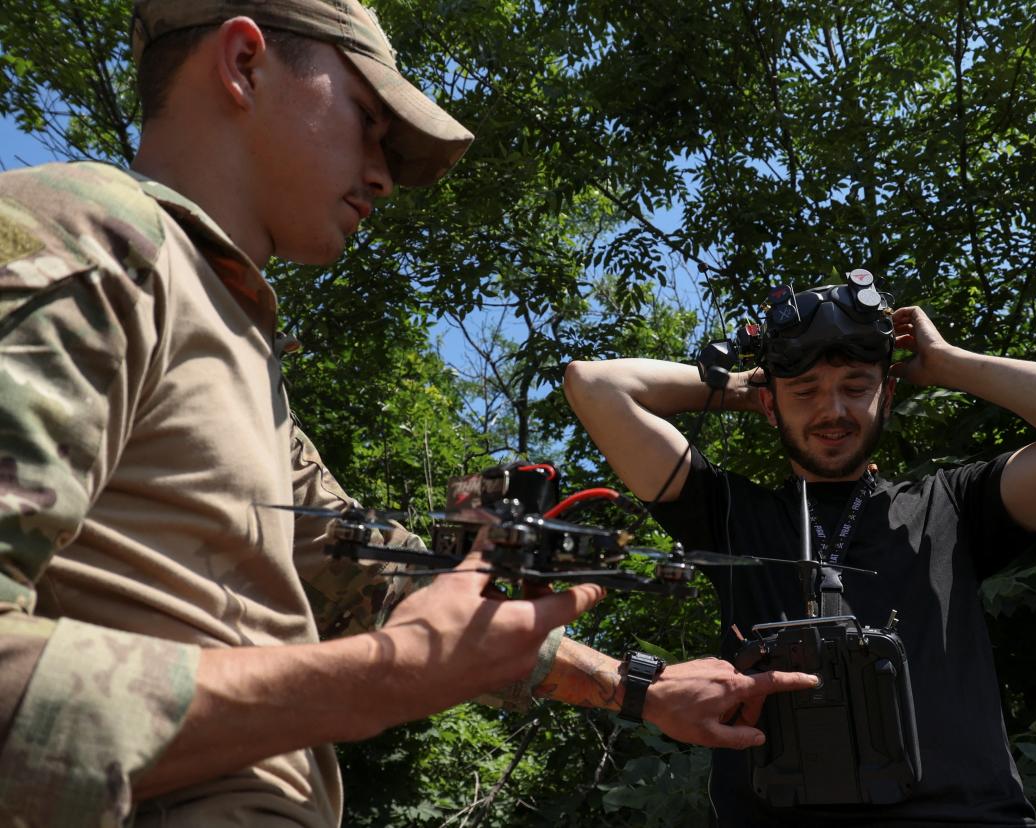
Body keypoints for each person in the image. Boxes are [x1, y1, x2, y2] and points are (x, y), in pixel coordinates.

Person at [0, 2, 815, 825]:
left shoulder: (227, 337)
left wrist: (639, 690)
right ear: (244, 63)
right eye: (367, 120)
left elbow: (378, 584)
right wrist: (377, 681)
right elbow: (400, 654)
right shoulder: (86, 245)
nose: (384, 174)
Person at [563, 279, 1036, 826]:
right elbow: (594, 385)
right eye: (806, 393)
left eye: (856, 387)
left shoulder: (954, 507)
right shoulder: (727, 514)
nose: (833, 411)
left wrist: (952, 364)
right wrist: (751, 385)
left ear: (887, 393)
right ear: (772, 405)